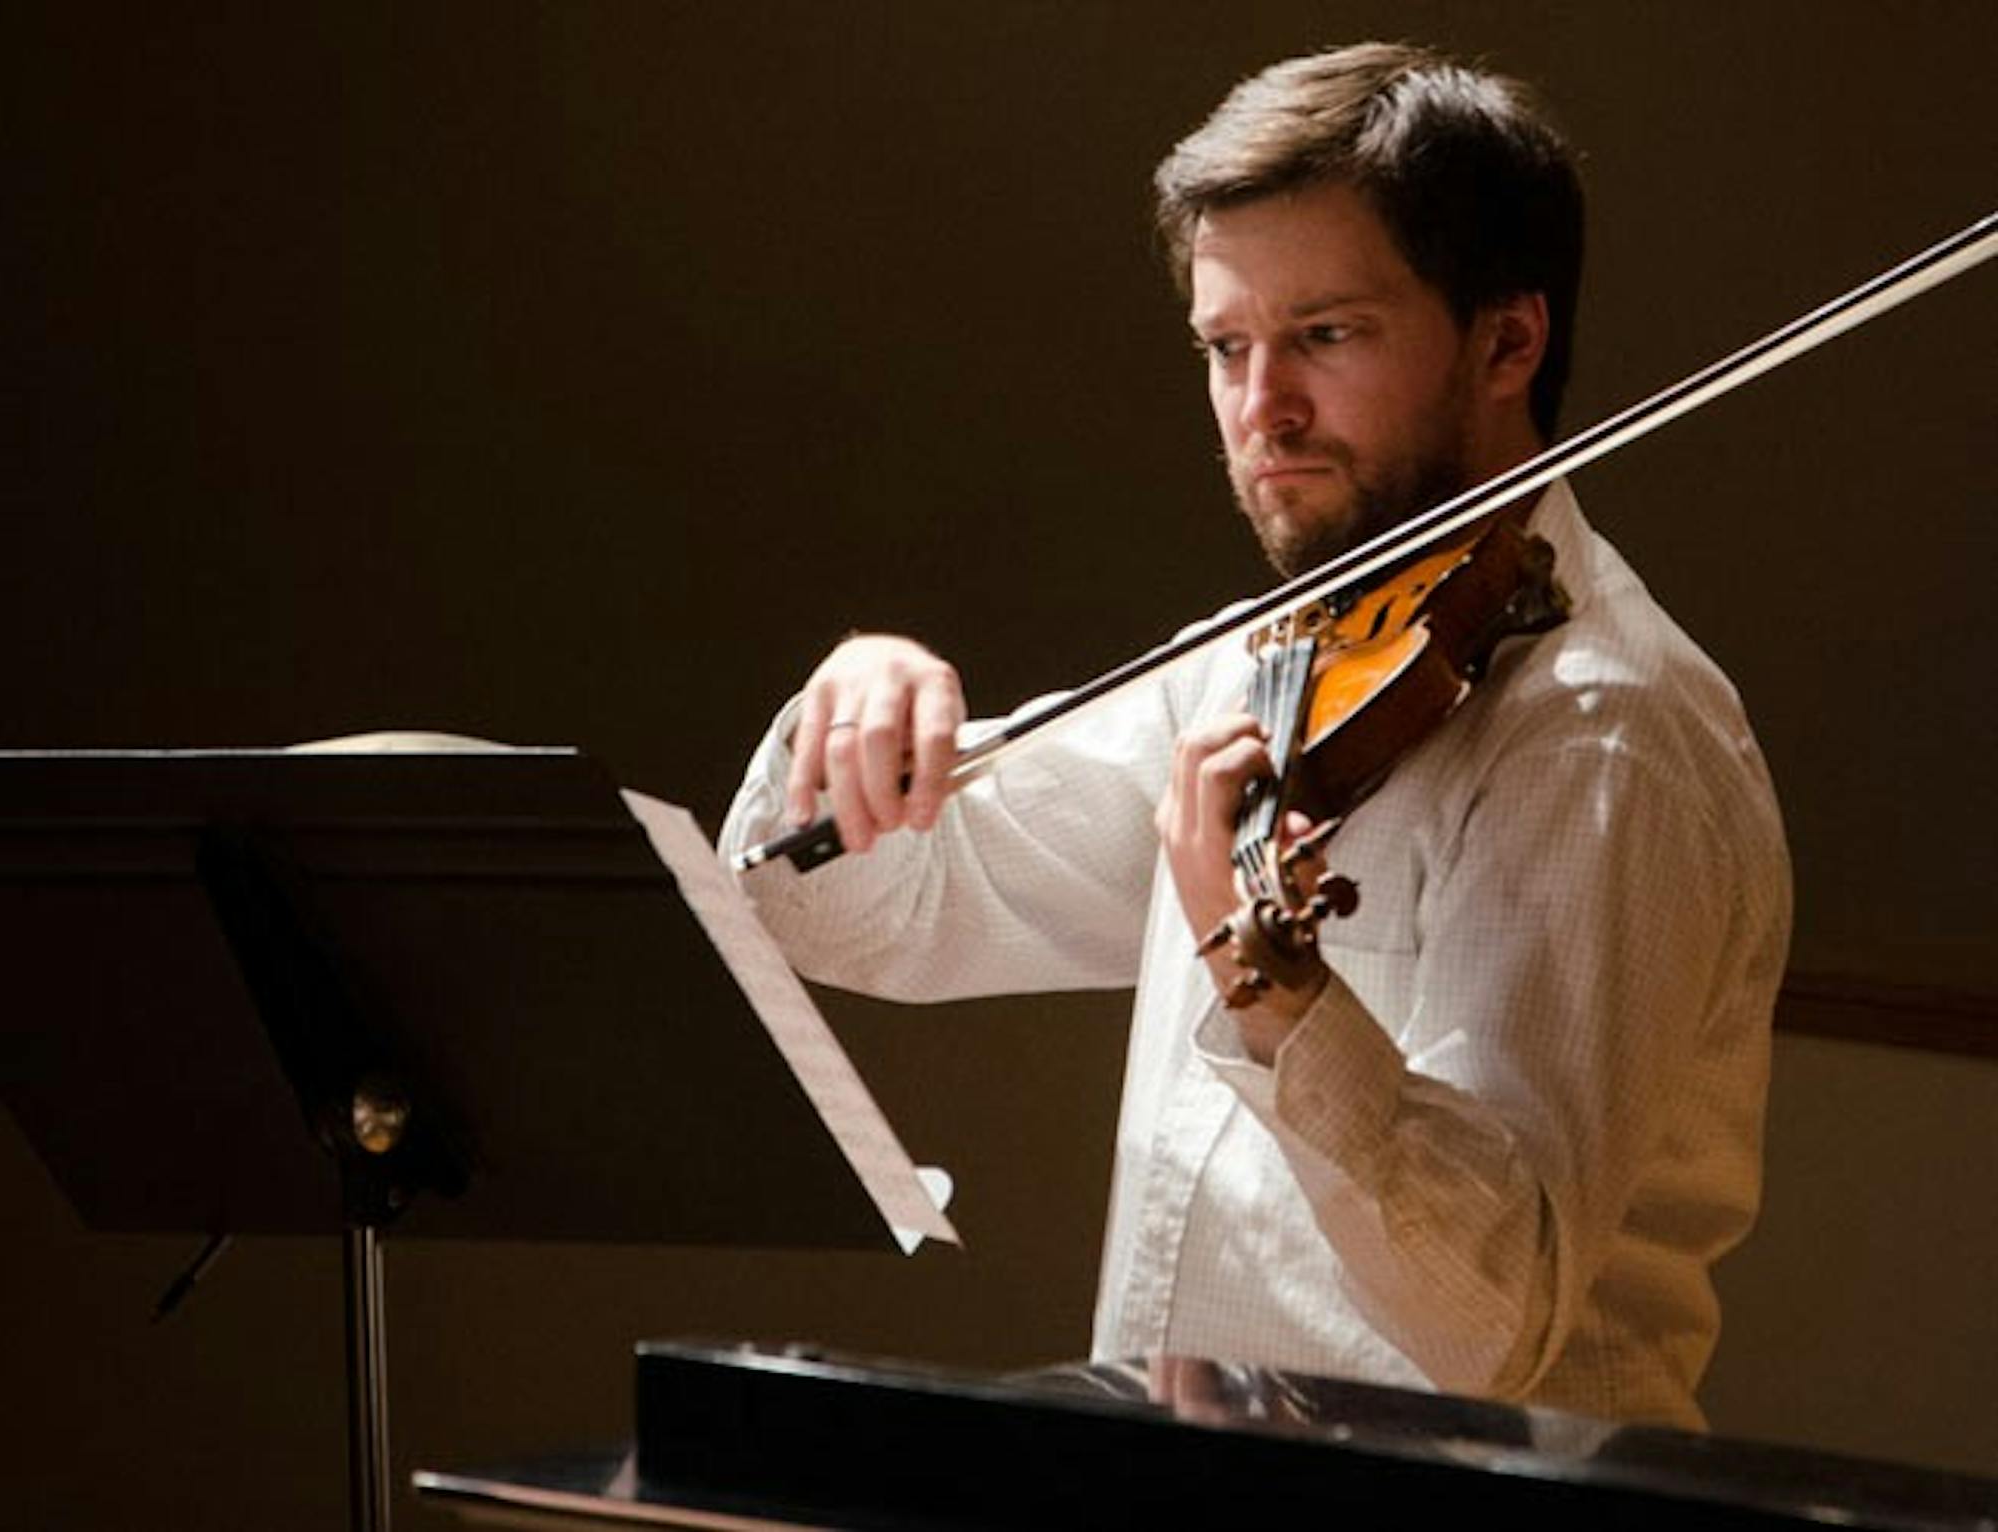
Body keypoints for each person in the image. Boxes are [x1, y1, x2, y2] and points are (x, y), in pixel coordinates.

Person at [719, 42, 1790, 1428]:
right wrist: (854, 717)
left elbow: (1492, 1321)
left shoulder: (1602, 739)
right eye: (1227, 348)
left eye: (1326, 336)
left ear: (1507, 341)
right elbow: (859, 914)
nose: (1261, 410)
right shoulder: (1269, 663)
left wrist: (1273, 991)